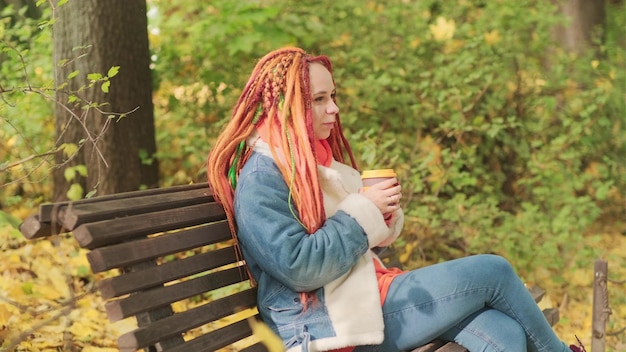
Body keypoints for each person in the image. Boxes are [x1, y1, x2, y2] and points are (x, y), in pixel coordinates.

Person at [207, 47, 585, 352]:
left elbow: (342, 238)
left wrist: (380, 216)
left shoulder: (312, 160)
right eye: (319, 99)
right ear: (285, 106)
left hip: (361, 299)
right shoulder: (263, 177)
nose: (334, 109)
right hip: (323, 327)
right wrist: (363, 211)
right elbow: (300, 268)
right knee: (493, 271)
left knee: (502, 332)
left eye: (333, 96)